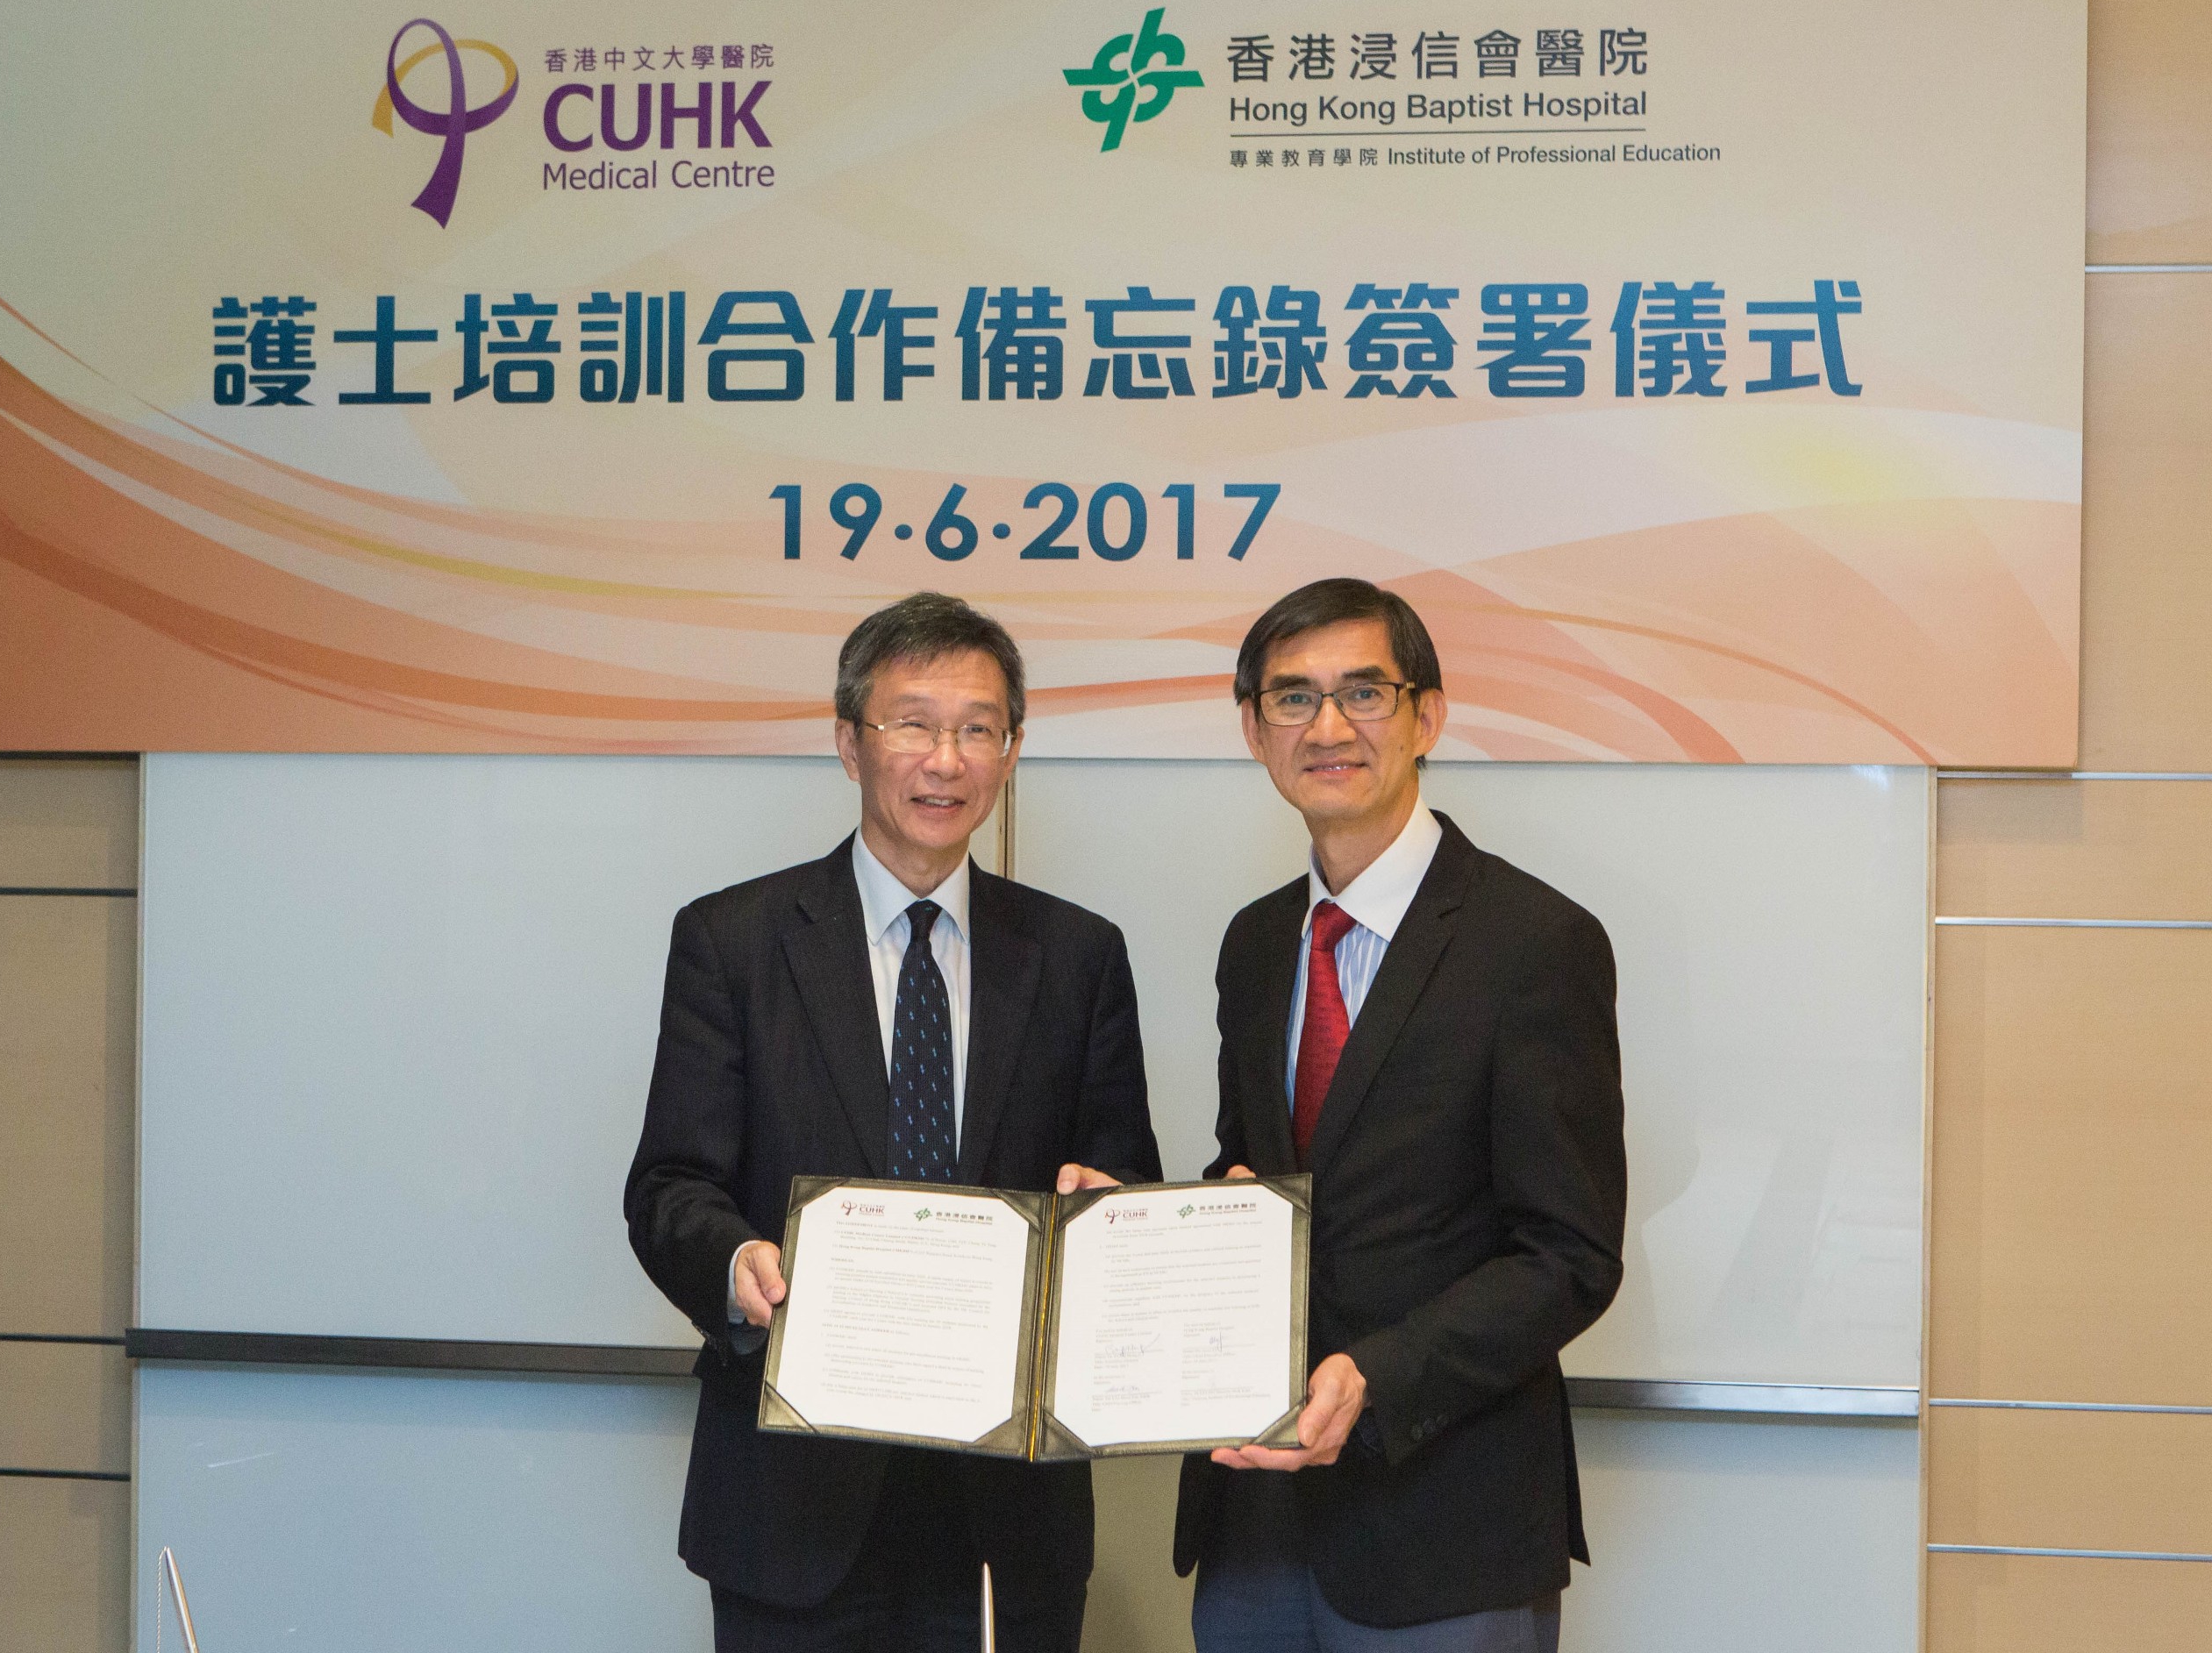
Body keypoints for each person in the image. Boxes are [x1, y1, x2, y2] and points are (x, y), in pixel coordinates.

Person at [624, 592, 1163, 1653]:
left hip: (1006, 1515)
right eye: (912, 724)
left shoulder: (1078, 955)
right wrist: (734, 1262)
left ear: (1011, 751)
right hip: (793, 1501)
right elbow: (668, 1186)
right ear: (848, 742)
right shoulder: (731, 942)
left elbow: (1118, 1174)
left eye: (977, 729)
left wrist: (1114, 1226)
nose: (944, 760)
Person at [1174, 578, 1628, 1652]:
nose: (1327, 727)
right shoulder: (1255, 942)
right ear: (1253, 728)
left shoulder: (1534, 943)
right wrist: (1157, 1228)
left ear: (1427, 713)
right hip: (1254, 1520)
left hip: (1445, 1517)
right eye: (1291, 698)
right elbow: (1264, 1175)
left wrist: (1377, 1378)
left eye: (1362, 693)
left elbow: (1566, 1253)